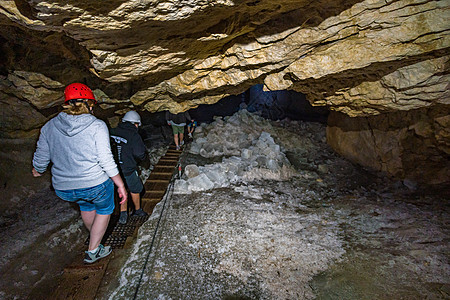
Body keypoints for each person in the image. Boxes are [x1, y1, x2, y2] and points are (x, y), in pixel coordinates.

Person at [32, 83, 127, 264]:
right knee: (105, 208)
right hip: (94, 183)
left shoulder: (49, 127)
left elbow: (41, 157)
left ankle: (94, 241)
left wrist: (38, 169)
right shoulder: (97, 126)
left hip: (64, 188)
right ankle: (93, 250)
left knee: (86, 205)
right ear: (89, 104)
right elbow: (105, 160)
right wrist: (120, 184)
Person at [110, 111, 150, 225]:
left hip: (113, 170)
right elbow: (139, 153)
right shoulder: (133, 135)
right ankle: (137, 210)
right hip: (128, 169)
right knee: (135, 188)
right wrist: (142, 158)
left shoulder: (112, 131)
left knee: (120, 189)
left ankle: (123, 214)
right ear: (135, 124)